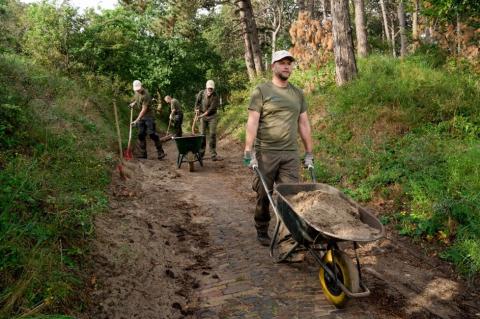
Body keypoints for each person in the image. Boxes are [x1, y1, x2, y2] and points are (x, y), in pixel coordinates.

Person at [243, 50, 314, 247]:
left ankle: (287, 238)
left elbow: (304, 124)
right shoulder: (262, 91)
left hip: (290, 154)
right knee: (263, 194)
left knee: (290, 197)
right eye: (282, 63)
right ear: (273, 66)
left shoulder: (297, 93)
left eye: (289, 63)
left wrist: (309, 152)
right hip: (266, 152)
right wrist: (249, 151)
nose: (286, 66)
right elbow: (252, 122)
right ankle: (261, 226)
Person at [129, 80, 166, 159]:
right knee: (141, 134)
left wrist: (136, 120)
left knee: (152, 134)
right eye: (136, 90)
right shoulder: (137, 92)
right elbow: (138, 99)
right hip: (142, 117)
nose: (138, 91)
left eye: (139, 89)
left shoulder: (146, 95)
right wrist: (134, 103)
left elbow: (144, 109)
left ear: (141, 86)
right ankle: (143, 154)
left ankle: (160, 152)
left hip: (149, 116)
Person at [195, 80, 219, 161]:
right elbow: (197, 103)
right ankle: (201, 153)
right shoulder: (201, 93)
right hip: (202, 116)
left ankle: (213, 153)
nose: (210, 90)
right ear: (206, 87)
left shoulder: (215, 96)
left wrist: (200, 116)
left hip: (212, 116)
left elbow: (210, 110)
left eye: (211, 89)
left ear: (213, 89)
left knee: (212, 134)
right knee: (202, 134)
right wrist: (197, 110)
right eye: (209, 88)